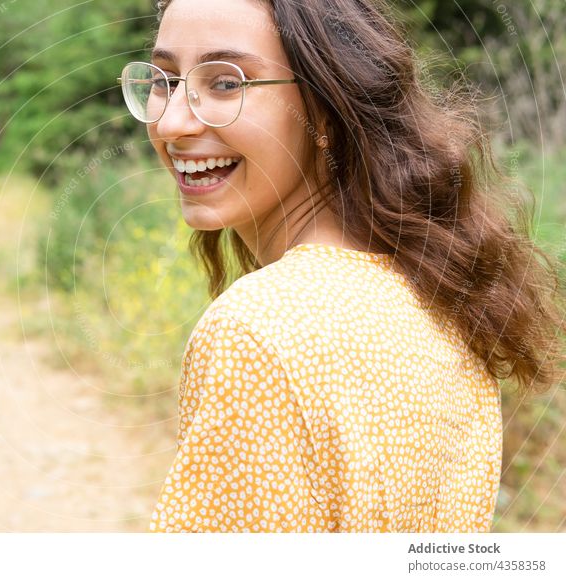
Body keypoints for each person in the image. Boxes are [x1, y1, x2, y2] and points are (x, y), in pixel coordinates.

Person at [117, 0, 566, 532]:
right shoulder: (437, 294)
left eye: (227, 83)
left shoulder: (255, 332)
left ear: (325, 109)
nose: (171, 122)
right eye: (164, 80)